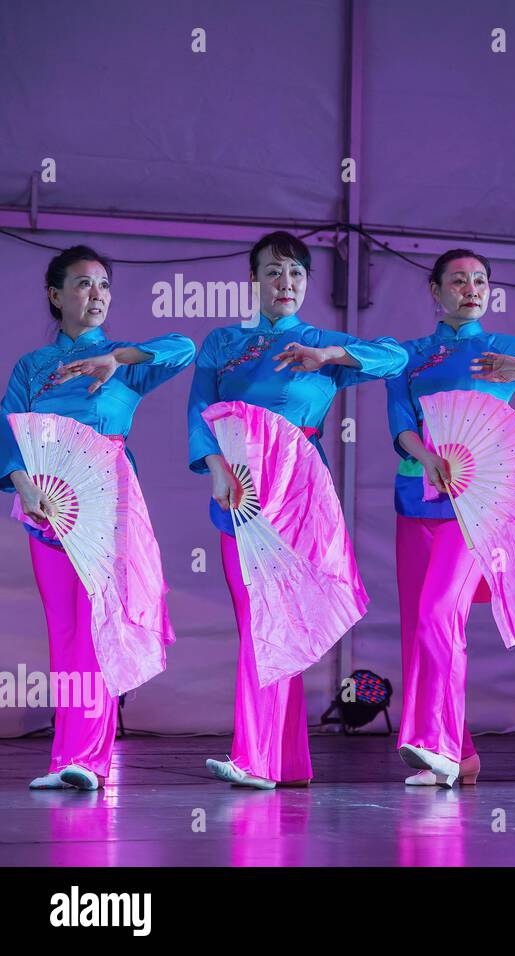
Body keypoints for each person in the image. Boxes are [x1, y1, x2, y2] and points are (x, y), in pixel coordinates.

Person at [188, 230, 406, 790]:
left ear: (307, 283)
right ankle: (284, 760)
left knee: (273, 621)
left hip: (297, 494)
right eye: (273, 272)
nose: (285, 283)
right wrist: (214, 469)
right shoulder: (222, 343)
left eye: (296, 274)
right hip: (239, 490)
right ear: (254, 280)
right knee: (258, 622)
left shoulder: (320, 343)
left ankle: (254, 758)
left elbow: (395, 357)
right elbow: (200, 410)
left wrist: (330, 354)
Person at [385, 248, 515, 787]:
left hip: (478, 506)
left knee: (439, 615)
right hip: (418, 496)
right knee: (421, 629)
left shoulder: (502, 350)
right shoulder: (408, 355)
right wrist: (427, 457)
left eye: (479, 280)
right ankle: (460, 751)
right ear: (435, 291)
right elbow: (400, 422)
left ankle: (437, 746)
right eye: (458, 281)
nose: (470, 288)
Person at [2, 244, 194, 790]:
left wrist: (119, 359)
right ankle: (68, 759)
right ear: (55, 295)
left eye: (105, 284)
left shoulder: (123, 361)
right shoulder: (33, 368)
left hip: (107, 503)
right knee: (63, 629)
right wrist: (21, 480)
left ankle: (88, 758)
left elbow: (182, 348)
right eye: (84, 284)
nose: (97, 294)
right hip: (47, 505)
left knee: (97, 624)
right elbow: (5, 426)